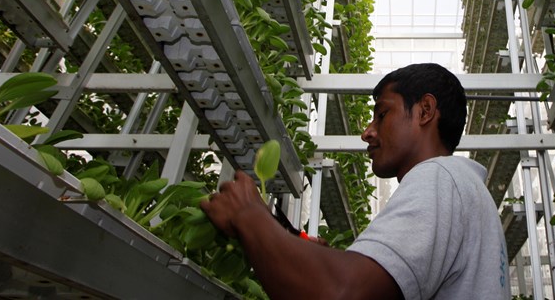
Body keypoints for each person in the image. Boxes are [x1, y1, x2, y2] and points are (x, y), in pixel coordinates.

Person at [201, 63, 510, 300]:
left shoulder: (439, 178)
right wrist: (315, 259)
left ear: (425, 111)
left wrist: (249, 215)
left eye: (382, 114)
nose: (368, 132)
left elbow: (342, 292)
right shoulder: (467, 193)